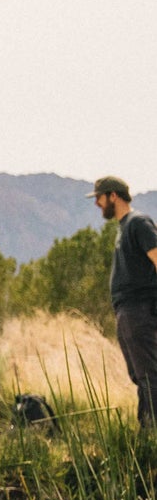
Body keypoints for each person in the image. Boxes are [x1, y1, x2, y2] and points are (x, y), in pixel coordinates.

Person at [89, 175, 157, 427]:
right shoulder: (124, 227)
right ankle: (147, 432)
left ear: (113, 196)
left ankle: (151, 436)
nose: (97, 203)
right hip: (128, 312)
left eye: (99, 197)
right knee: (140, 376)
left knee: (150, 376)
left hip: (140, 311)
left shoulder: (138, 223)